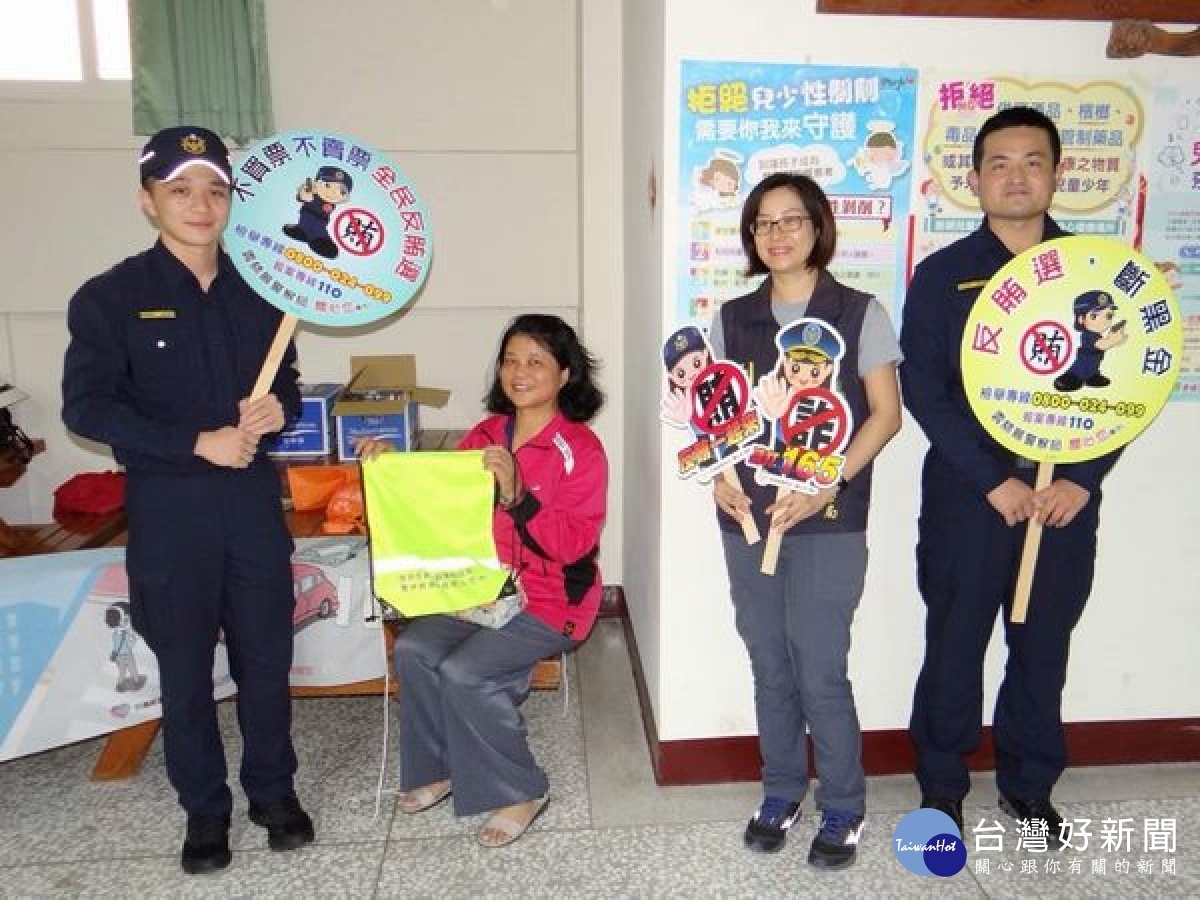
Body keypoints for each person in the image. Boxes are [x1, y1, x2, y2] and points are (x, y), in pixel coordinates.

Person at [62, 126, 314, 875]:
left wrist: (279, 411)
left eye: (213, 189)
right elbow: (88, 408)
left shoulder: (266, 291)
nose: (200, 205)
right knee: (182, 668)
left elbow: (288, 384)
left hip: (250, 509)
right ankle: (205, 811)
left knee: (267, 660)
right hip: (171, 511)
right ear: (149, 201)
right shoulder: (111, 298)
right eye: (179, 189)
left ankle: (274, 792)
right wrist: (193, 442)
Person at [900, 106, 1122, 838]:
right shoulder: (943, 276)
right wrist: (993, 480)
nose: (1017, 175)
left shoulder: (1097, 276)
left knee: (1042, 643)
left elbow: (1123, 392)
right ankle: (941, 785)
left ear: (1058, 174)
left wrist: (1082, 479)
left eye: (1033, 161)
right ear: (975, 180)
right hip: (973, 496)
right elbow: (925, 390)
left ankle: (1029, 786)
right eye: (1000, 162)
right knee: (955, 639)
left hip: (1061, 497)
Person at [708, 172, 903, 868]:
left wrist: (825, 485)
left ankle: (844, 805)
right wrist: (721, 485)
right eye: (764, 223)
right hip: (750, 521)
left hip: (829, 520)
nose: (779, 234)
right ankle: (782, 790)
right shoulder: (731, 318)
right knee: (768, 663)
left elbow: (887, 415)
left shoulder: (858, 312)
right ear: (751, 236)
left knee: (820, 666)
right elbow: (716, 418)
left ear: (818, 226)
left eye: (793, 220)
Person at [358, 313, 607, 848]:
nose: (520, 371)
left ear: (565, 375)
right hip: (480, 591)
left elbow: (574, 546)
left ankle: (522, 789)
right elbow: (442, 498)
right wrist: (388, 465)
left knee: (467, 671)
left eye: (536, 361)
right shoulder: (487, 433)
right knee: (416, 651)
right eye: (511, 359)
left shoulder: (580, 450)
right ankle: (439, 769)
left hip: (551, 601)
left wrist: (519, 495)